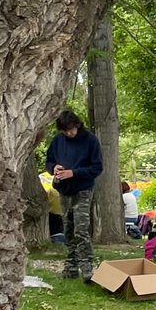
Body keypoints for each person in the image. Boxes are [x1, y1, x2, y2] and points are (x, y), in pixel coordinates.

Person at [45, 109, 103, 282]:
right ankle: (70, 267)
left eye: (71, 129)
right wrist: (53, 168)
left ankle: (87, 268)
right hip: (64, 190)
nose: (69, 133)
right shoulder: (58, 141)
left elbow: (97, 168)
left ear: (77, 125)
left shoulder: (90, 141)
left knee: (81, 229)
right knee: (68, 229)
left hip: (83, 190)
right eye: (65, 130)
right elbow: (49, 161)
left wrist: (74, 173)